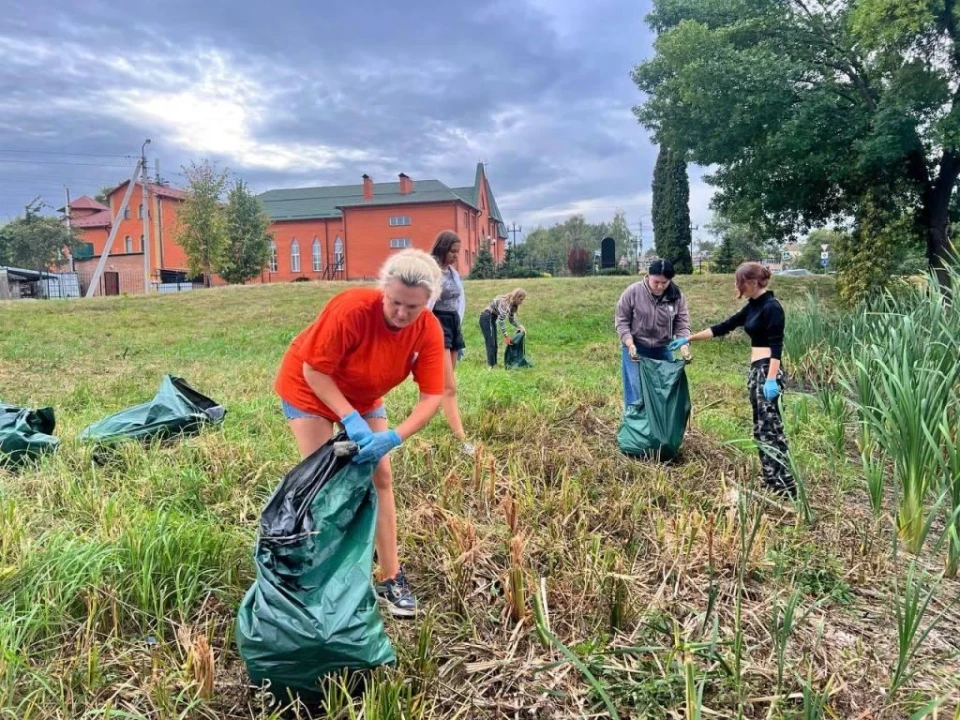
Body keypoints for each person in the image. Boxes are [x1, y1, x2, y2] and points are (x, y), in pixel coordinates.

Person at [273, 249, 445, 617]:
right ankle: (325, 574)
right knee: (326, 480)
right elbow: (314, 372)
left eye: (412, 307)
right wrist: (349, 419)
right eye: (395, 302)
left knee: (381, 474)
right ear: (383, 290)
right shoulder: (351, 308)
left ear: (428, 303)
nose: (401, 314)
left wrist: (395, 436)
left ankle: (391, 576)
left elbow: (433, 396)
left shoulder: (429, 330)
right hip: (309, 387)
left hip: (364, 392)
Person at [668, 262, 796, 498]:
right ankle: (771, 480)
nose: (738, 287)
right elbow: (722, 327)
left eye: (740, 282)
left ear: (752, 281)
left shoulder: (772, 307)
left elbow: (776, 347)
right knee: (760, 429)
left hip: (768, 370)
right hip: (756, 371)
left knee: (772, 429)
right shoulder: (753, 307)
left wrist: (771, 380)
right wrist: (688, 339)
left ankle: (786, 486)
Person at [615, 259, 691, 407]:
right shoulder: (633, 292)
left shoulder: (676, 297)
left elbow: (682, 324)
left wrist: (684, 345)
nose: (660, 286)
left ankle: (659, 427)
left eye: (665, 282)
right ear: (648, 275)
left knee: (666, 390)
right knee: (637, 391)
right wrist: (629, 343)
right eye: (656, 282)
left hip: (662, 348)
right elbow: (622, 321)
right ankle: (636, 425)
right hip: (636, 348)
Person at [428, 230, 473, 455]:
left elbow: (459, 302)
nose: (456, 256)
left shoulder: (453, 273)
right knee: (449, 388)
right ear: (442, 249)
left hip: (453, 325)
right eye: (453, 251)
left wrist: (458, 332)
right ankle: (462, 440)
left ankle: (425, 415)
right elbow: (424, 304)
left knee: (442, 383)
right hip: (437, 325)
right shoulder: (431, 272)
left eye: (458, 251)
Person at [479, 288, 526, 368]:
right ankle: (491, 367)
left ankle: (494, 365)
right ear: (517, 297)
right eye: (521, 299)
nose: (522, 302)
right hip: (486, 317)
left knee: (494, 344)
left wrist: (519, 326)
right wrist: (506, 335)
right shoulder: (505, 303)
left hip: (492, 318)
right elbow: (501, 321)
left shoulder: (512, 305)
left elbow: (511, 320)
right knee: (491, 343)